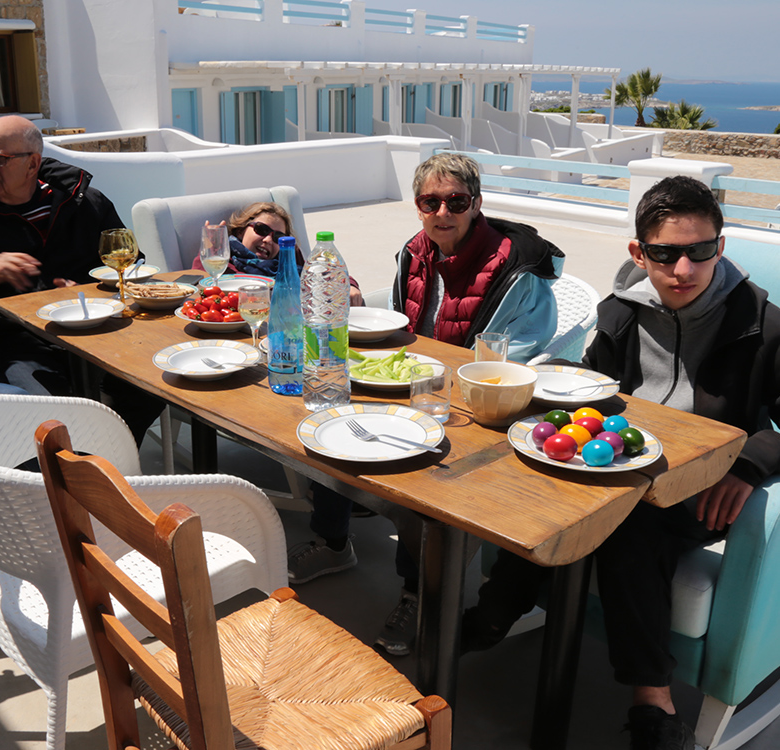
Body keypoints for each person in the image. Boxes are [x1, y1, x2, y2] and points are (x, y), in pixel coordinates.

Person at [463, 176, 780, 750]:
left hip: (701, 485)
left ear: (720, 247)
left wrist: (750, 465)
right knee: (543, 490)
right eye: (664, 254)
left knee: (630, 526)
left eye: (699, 250)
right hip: (618, 462)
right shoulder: (619, 313)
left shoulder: (762, 323)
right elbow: (593, 388)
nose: (683, 269)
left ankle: (653, 701)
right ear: (639, 252)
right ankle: (495, 612)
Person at [287, 152, 564, 658]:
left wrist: (450, 381)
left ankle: (418, 592)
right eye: (430, 202)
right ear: (417, 206)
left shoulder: (518, 269)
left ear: (476, 203)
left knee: (427, 479)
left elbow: (521, 353)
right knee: (331, 421)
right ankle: (333, 542)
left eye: (455, 201)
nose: (442, 212)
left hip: (478, 403)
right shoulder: (413, 252)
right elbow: (403, 323)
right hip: (413, 386)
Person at [0, 116, 162, 444]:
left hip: (99, 333)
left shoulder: (85, 202)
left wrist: (90, 292)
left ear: (33, 163)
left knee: (151, 384)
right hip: (22, 344)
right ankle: (87, 461)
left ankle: (107, 454)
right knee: (50, 418)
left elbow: (129, 264)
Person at [192, 201, 364, 305]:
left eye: (278, 237)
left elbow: (323, 274)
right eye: (261, 229)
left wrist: (349, 286)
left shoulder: (287, 261)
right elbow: (199, 281)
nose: (268, 239)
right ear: (240, 231)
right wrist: (212, 250)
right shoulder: (225, 259)